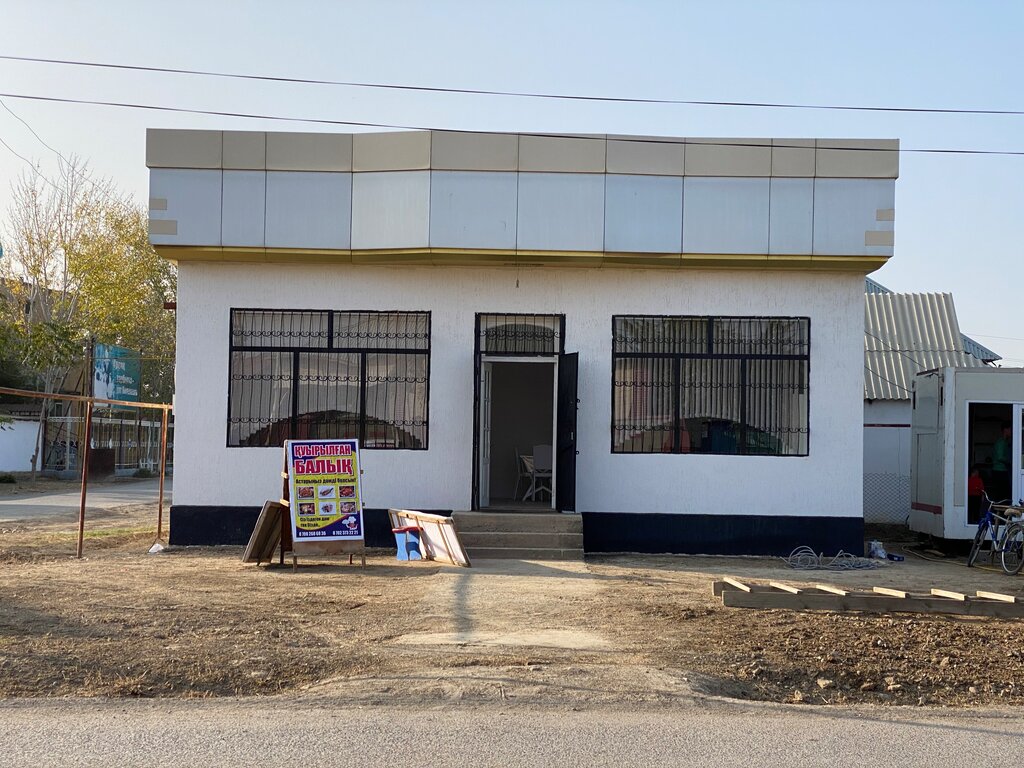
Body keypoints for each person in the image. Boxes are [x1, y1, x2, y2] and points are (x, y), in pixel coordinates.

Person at [992, 424, 1012, 503]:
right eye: (1010, 429)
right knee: (1002, 495)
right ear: (1005, 430)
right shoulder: (1001, 442)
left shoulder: (1005, 442)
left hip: (1002, 471)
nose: (1011, 431)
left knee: (1003, 494)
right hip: (999, 471)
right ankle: (998, 510)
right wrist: (1010, 462)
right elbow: (1000, 457)